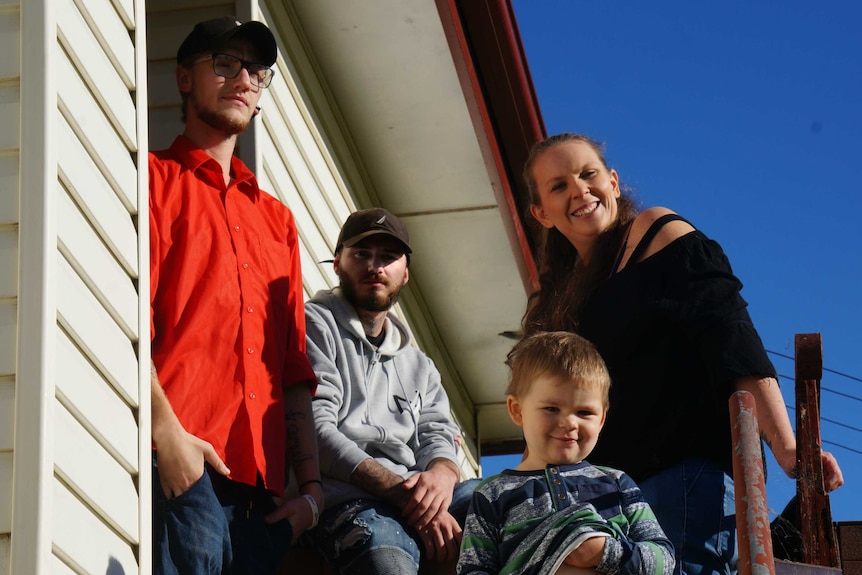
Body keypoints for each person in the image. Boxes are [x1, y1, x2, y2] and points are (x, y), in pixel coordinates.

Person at [519, 133, 844, 575]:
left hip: (685, 481)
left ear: (613, 182)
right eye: (558, 186)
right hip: (603, 505)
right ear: (542, 213)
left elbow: (732, 336)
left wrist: (788, 448)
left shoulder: (657, 235)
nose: (579, 189)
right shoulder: (559, 300)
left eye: (588, 173)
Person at [149, 16, 322, 574]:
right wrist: (165, 435)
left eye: (256, 71)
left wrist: (312, 495)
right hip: (183, 464)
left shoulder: (277, 220)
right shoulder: (153, 180)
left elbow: (293, 369)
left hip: (264, 502)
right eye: (225, 63)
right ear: (183, 78)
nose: (244, 79)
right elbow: (128, 322)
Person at [302, 208, 480, 574]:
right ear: (337, 264)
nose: (375, 266)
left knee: (509, 506)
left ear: (406, 273)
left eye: (388, 257)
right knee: (387, 561)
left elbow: (438, 433)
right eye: (361, 254)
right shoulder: (312, 325)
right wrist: (409, 498)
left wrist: (443, 475)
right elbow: (315, 431)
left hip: (414, 495)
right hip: (347, 500)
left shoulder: (419, 365)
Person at [458, 331, 675, 575]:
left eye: (584, 412)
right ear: (517, 410)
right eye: (551, 408)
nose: (570, 423)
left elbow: (665, 561)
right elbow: (474, 569)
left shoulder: (618, 483)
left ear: (602, 419)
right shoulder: (492, 494)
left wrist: (603, 553)